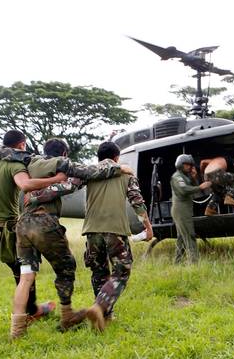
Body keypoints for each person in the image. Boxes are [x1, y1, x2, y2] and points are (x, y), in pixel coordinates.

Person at [0, 138, 130, 338]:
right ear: (64, 154)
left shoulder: (29, 163)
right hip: (43, 222)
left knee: (26, 277)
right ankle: (66, 315)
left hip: (22, 226)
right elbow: (87, 173)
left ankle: (16, 331)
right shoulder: (60, 163)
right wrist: (118, 169)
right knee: (66, 267)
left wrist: (33, 196)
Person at [0, 130, 66, 338]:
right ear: (22, 145)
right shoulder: (15, 164)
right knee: (24, 272)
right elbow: (25, 185)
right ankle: (30, 312)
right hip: (5, 230)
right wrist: (56, 178)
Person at [82, 141, 153, 331]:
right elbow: (137, 202)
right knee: (122, 271)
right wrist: (147, 227)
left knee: (99, 272)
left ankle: (104, 317)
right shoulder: (125, 173)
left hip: (91, 230)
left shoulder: (89, 172)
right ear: (116, 158)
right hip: (115, 230)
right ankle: (100, 307)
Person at [170, 154, 212, 264]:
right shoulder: (177, 177)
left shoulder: (185, 177)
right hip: (181, 211)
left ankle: (177, 262)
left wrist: (194, 179)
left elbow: (193, 191)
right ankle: (194, 262)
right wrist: (200, 186)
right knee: (189, 235)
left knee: (181, 238)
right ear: (180, 164)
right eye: (186, 165)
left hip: (184, 210)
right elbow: (184, 190)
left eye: (190, 165)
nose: (189, 167)